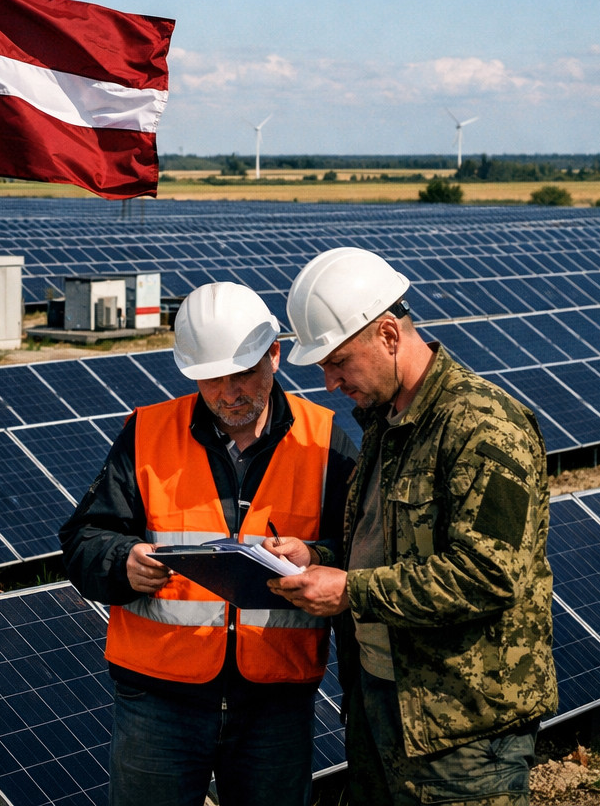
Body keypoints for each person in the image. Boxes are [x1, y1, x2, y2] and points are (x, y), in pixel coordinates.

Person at [269, 247, 556, 806]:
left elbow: (487, 574)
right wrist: (318, 559)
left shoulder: (481, 424)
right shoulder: (386, 422)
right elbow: (393, 549)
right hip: (384, 703)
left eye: (338, 362)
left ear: (388, 335)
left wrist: (350, 591)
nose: (329, 383)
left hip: (464, 728)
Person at [60, 282, 357, 806]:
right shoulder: (148, 432)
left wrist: (317, 556)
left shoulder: (324, 439)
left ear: (274, 355)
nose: (228, 393)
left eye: (242, 374)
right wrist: (122, 561)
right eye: (211, 378)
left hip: (276, 701)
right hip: (159, 698)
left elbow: (362, 553)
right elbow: (84, 539)